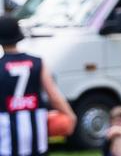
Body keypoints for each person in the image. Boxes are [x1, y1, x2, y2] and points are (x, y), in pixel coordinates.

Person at [0, 15, 75, 156]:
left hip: (6, 136)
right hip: (37, 133)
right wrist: (70, 115)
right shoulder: (37, 62)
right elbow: (53, 96)